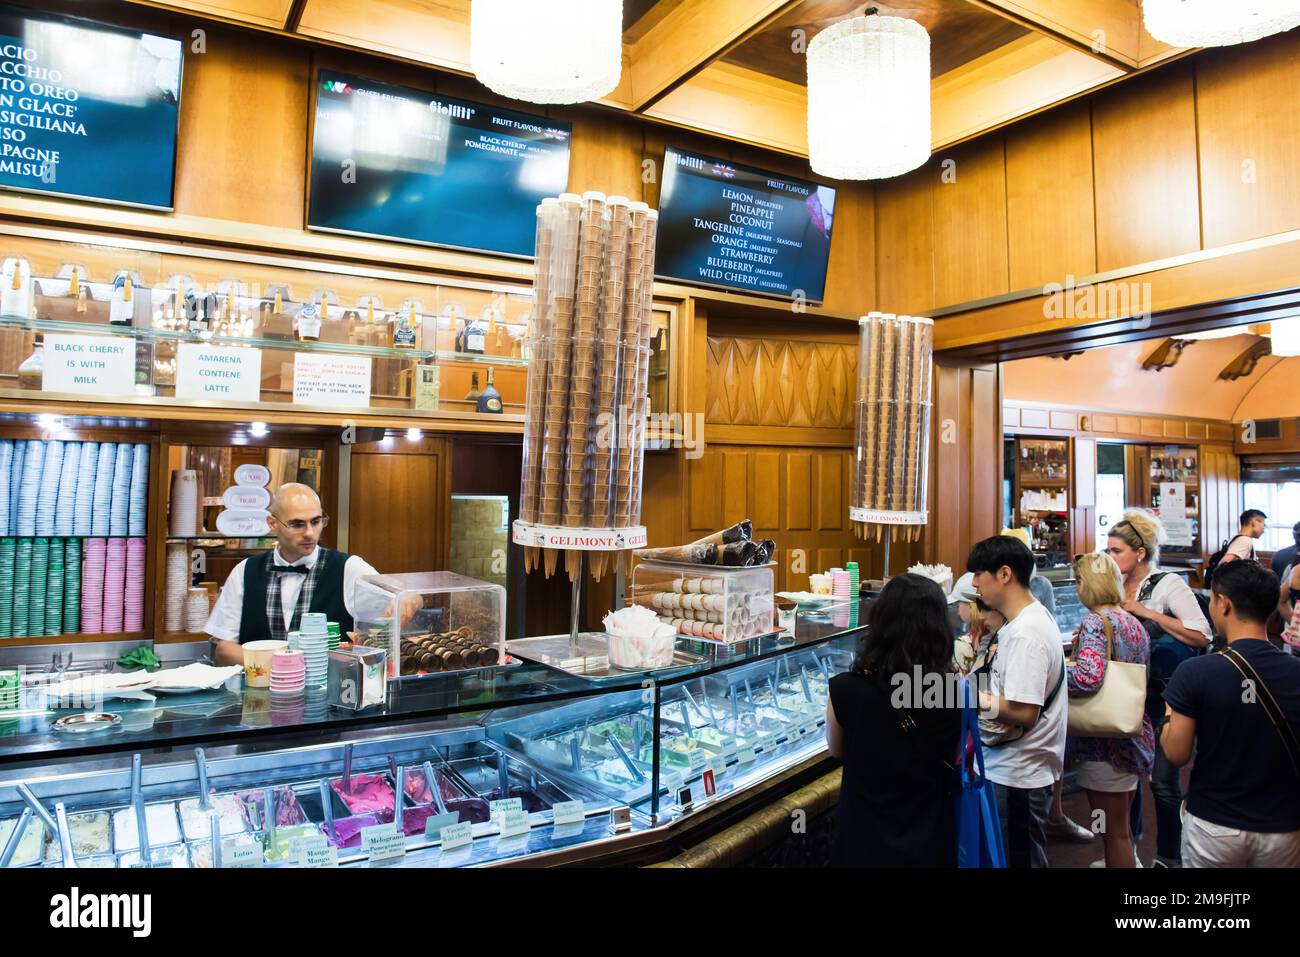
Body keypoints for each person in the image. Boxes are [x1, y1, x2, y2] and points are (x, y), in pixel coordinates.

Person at [1162, 560, 1300, 867]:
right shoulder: (1296, 671)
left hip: (1215, 821)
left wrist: (1170, 712)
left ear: (1223, 604)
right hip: (1285, 824)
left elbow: (1176, 753)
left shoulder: (1194, 672)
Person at [826, 574, 963, 866]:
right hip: (927, 840)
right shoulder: (950, 691)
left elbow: (836, 750)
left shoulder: (845, 688)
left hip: (863, 842)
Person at [1104, 508, 1212, 868]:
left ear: (1139, 552)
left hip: (1165, 700)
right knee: (1124, 781)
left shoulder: (1168, 585)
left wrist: (1145, 612)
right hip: (1124, 696)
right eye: (1108, 550)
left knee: (1163, 784)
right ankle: (1126, 854)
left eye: (1116, 551)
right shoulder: (1113, 586)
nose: (1110, 557)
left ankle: (1169, 858)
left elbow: (1201, 634)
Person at [967, 535, 1068, 868]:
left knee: (1017, 858)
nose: (974, 582)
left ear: (1005, 574)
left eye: (979, 573)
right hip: (1014, 770)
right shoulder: (1024, 622)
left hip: (1017, 775)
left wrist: (969, 697)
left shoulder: (1027, 633)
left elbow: (1024, 712)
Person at [206, 483, 379, 665]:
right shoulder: (245, 571)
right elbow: (224, 650)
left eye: (316, 521)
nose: (310, 533)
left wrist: (404, 603)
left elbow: (393, 609)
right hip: (259, 691)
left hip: (335, 690)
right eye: (297, 524)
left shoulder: (349, 568)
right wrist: (282, 666)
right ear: (272, 523)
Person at [1065, 552, 1154, 868]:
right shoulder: (1131, 622)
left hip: (1103, 745)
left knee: (1112, 834)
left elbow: (1087, 679)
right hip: (1131, 737)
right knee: (1122, 830)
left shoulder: (1094, 622)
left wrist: (1057, 671)